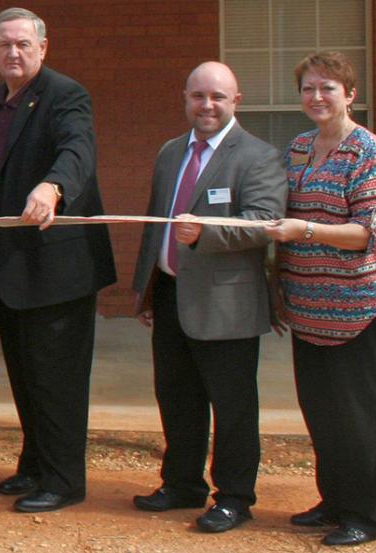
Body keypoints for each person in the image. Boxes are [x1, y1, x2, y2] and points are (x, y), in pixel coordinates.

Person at [130, 61, 287, 533]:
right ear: (185, 99)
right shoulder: (170, 152)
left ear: (236, 101)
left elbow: (264, 222)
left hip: (228, 305)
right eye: (198, 96)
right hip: (172, 293)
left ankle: (235, 497)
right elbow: (156, 221)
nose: (207, 105)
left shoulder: (259, 156)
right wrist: (147, 288)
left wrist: (206, 234)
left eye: (218, 97)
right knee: (176, 398)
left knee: (233, 407)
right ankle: (182, 483)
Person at [0, 7, 116, 512]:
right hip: (11, 266)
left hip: (59, 269)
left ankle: (63, 480)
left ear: (43, 47)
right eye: (4, 45)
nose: (14, 53)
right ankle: (35, 463)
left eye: (23, 44)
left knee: (57, 379)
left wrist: (54, 185)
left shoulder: (65, 95)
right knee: (25, 373)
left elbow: (77, 150)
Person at [264, 51, 376, 548]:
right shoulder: (298, 148)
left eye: (328, 88)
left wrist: (308, 230)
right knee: (320, 410)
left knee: (358, 416)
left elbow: (373, 232)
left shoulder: (369, 152)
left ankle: (365, 515)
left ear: (350, 94)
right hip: (308, 307)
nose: (316, 97)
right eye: (308, 89)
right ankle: (334, 501)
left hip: (361, 307)